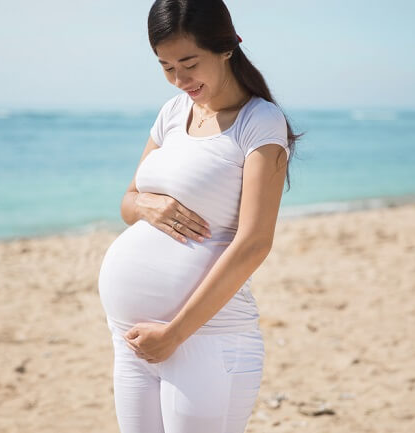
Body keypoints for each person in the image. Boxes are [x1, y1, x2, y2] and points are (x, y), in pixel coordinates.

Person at [97, 1, 303, 431]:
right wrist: (147, 205)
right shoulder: (173, 113)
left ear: (225, 47)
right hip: (132, 340)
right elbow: (128, 202)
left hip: (205, 341)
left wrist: (174, 333)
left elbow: (254, 242)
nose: (179, 79)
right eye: (166, 66)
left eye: (189, 63)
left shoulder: (259, 122)